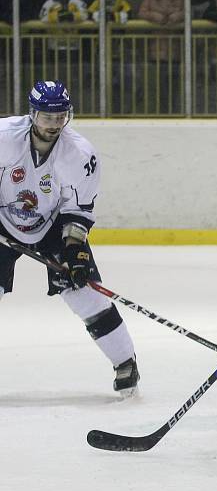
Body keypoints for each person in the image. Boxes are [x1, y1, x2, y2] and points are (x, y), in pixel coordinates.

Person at [0, 81, 140, 396]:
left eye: (60, 116)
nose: (54, 124)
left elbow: (78, 210)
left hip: (52, 224)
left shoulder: (79, 154)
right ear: (33, 114)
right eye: (47, 117)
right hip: (2, 221)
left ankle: (125, 362)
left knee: (84, 294)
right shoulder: (4, 138)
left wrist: (75, 250)